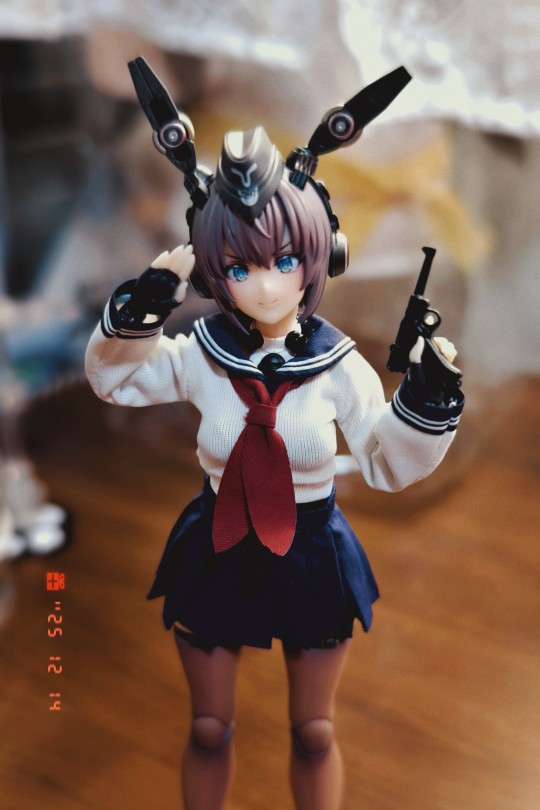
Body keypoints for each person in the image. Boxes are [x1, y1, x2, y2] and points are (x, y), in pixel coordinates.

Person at [85, 82, 464, 810]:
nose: (264, 287)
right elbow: (116, 381)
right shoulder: (200, 354)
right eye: (238, 267)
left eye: (284, 261)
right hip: (216, 545)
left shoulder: (339, 365)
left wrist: (429, 397)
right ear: (212, 270)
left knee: (315, 732)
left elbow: (386, 461)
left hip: (312, 550)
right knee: (208, 728)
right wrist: (139, 313)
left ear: (322, 256)